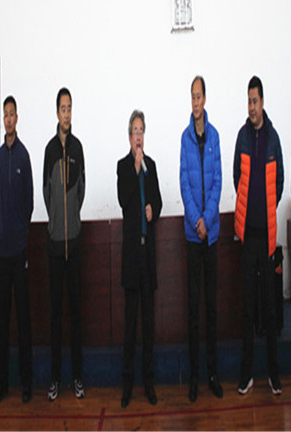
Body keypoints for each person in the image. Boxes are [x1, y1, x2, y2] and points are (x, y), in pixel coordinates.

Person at [233, 75, 284, 396]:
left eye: (255, 101)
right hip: (247, 238)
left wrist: (267, 210)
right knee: (248, 307)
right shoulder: (241, 136)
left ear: (263, 102)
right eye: (248, 101)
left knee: (269, 307)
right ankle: (247, 374)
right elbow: (236, 176)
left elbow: (279, 182)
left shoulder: (273, 138)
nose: (251, 107)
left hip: (267, 238)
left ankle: (274, 375)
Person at [180, 76, 223, 403]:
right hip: (193, 237)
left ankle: (213, 375)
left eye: (199, 96)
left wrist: (207, 220)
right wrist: (197, 221)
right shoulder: (184, 138)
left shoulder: (215, 136)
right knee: (194, 311)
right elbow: (184, 182)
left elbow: (218, 181)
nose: (195, 101)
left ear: (205, 99)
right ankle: (194, 378)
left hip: (211, 236)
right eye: (192, 96)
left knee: (211, 310)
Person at [117, 110, 162, 409]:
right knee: (130, 326)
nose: (138, 135)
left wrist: (153, 210)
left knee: (148, 325)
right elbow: (124, 200)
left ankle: (149, 383)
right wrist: (135, 167)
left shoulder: (152, 167)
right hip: (132, 257)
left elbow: (157, 201)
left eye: (141, 130)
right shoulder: (124, 167)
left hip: (148, 255)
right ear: (129, 136)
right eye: (134, 130)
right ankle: (127, 385)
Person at [43, 88, 85, 401]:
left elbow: (80, 190)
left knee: (76, 315)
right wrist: (57, 220)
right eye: (62, 108)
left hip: (76, 243)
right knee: (56, 316)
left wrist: (71, 219)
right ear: (57, 112)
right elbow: (47, 194)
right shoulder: (49, 150)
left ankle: (78, 377)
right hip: (55, 245)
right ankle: (55, 378)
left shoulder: (78, 148)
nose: (66, 113)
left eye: (70, 108)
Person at [0, 96, 33, 404]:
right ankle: (2, 384)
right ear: (3, 119)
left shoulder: (23, 156)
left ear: (17, 118)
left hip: (20, 252)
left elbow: (29, 202)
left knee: (23, 320)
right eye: (5, 114)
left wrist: (19, 230)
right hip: (1, 252)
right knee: (3, 322)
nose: (8, 119)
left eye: (11, 114)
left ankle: (27, 384)